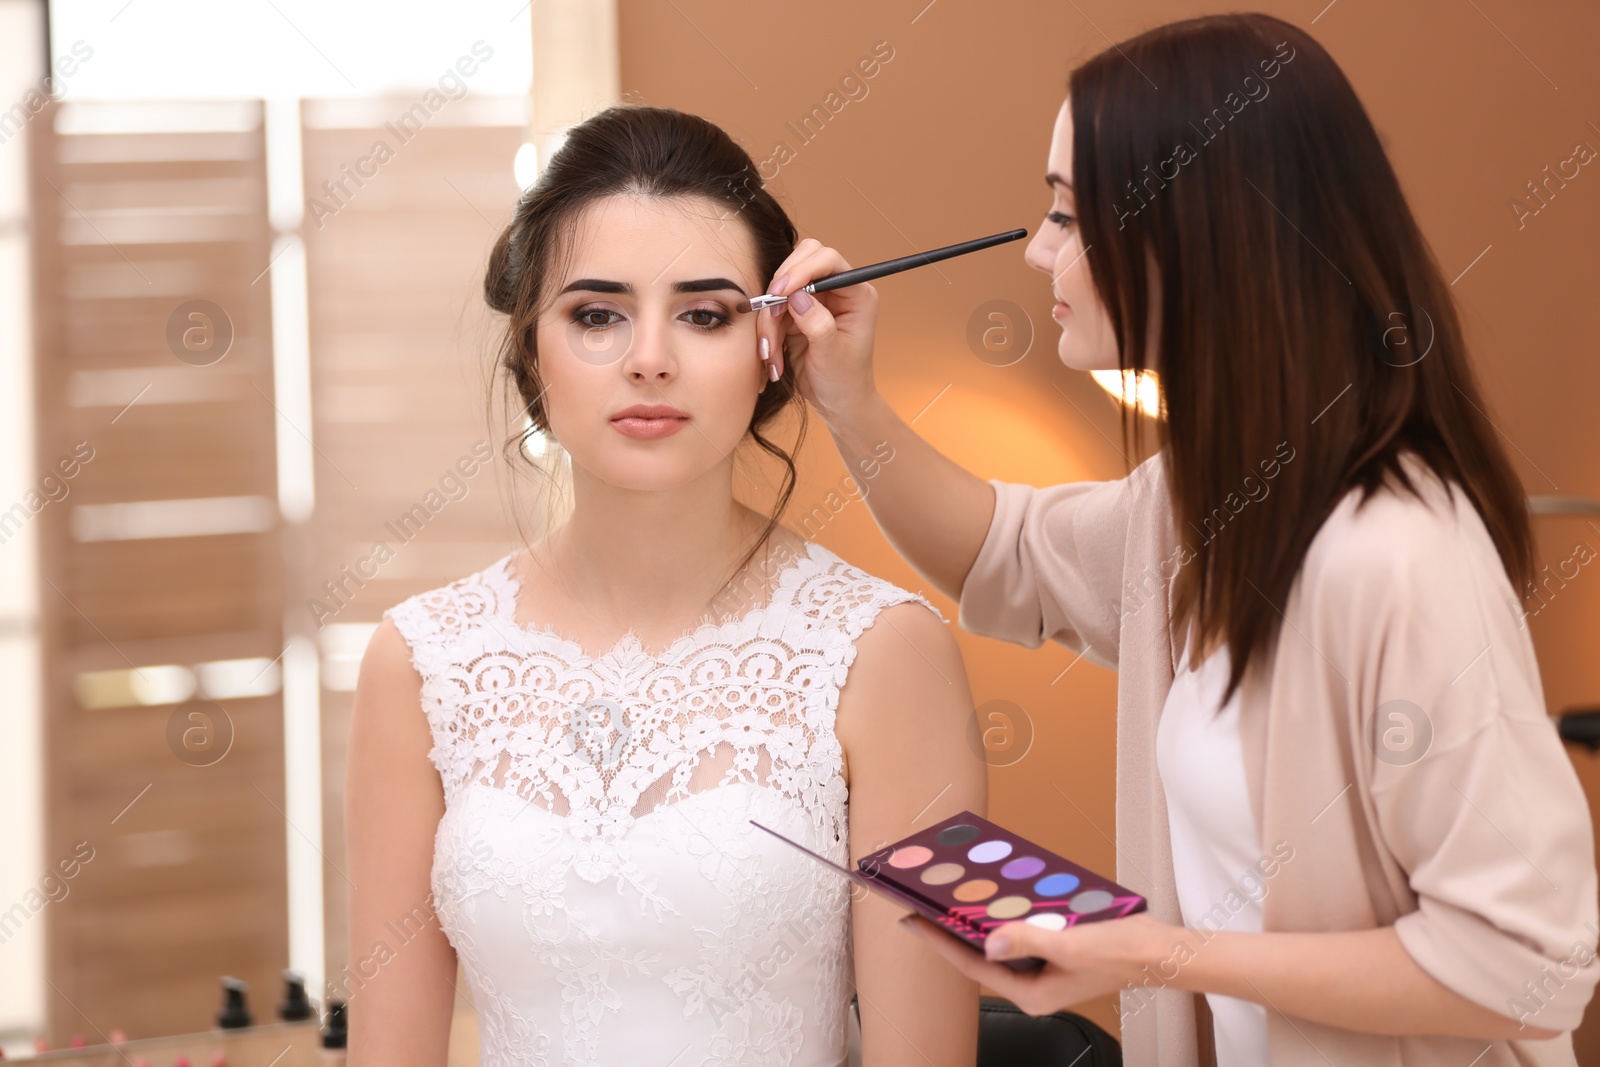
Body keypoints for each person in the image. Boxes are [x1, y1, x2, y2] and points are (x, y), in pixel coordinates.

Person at [754, 11, 1599, 1067]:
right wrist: (850, 401)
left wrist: (1157, 955)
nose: (1035, 252)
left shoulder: (1397, 555)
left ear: (1192, 230)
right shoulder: (1203, 505)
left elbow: (1524, 963)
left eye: (1064, 215)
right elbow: (1002, 553)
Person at [343, 105, 985, 1067]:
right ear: (530, 350)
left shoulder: (886, 653)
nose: (651, 357)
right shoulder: (420, 660)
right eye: (597, 314)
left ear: (775, 348)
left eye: (705, 314)